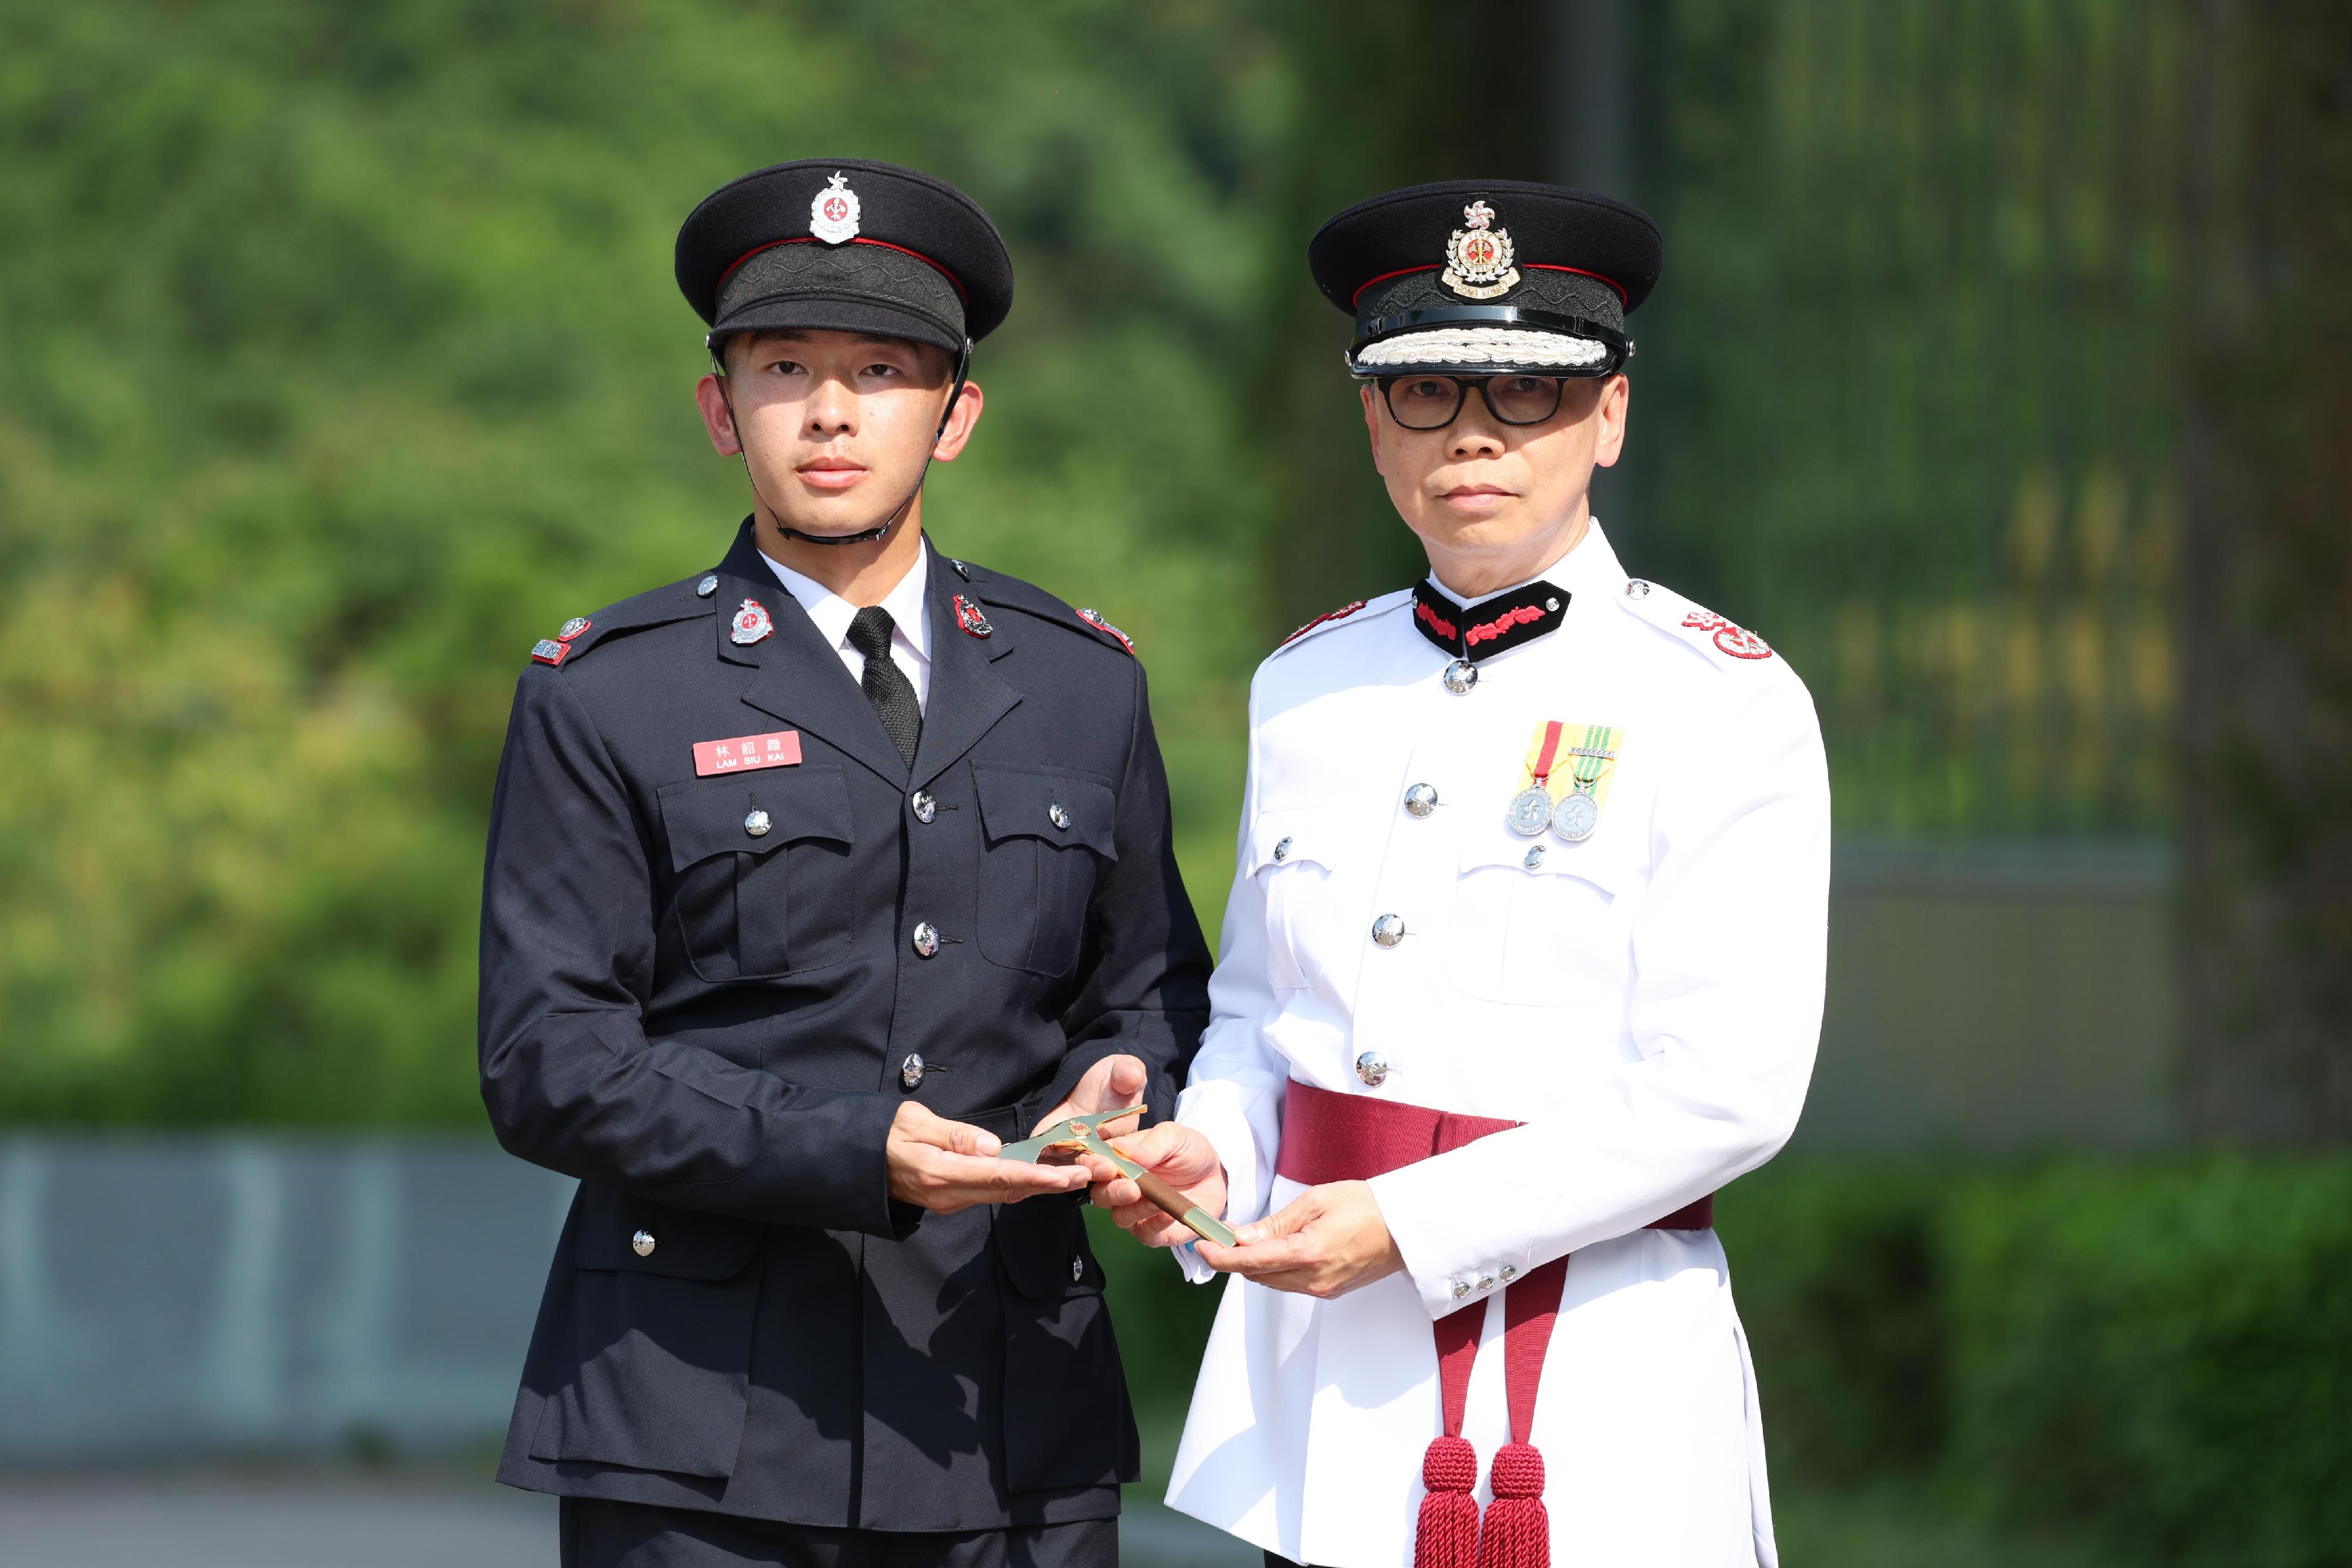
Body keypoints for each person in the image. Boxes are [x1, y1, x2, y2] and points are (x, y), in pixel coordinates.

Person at [477, 158, 1213, 1568]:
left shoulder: (1082, 684)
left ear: (955, 415)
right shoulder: (609, 690)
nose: (829, 409)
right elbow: (547, 1056)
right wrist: (847, 1147)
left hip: (1006, 1414)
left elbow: (1149, 997)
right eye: (784, 367)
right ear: (718, 408)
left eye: (880, 368)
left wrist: (1134, 1094)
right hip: (698, 1428)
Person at [1088, 180, 1831, 1568]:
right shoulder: (1305, 682)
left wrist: (1409, 1222)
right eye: (1426, 388)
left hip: (1582, 1396)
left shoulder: (1720, 698)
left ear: (1608, 417)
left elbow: (1725, 1086)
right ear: (1373, 420)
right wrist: (1213, 1156)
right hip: (1313, 1399)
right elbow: (1260, 1011)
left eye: (1528, 392)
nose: (1474, 430)